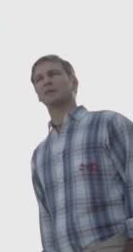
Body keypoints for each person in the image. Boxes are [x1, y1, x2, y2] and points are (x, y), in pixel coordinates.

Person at [30, 54, 133, 252]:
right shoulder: (39, 155)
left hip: (113, 244)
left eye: (53, 73)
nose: (46, 81)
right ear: (36, 93)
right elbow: (46, 215)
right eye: (39, 79)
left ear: (73, 81)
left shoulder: (110, 124)